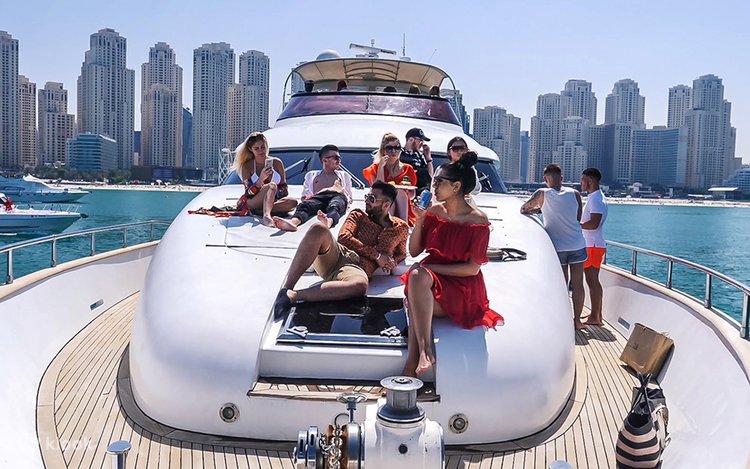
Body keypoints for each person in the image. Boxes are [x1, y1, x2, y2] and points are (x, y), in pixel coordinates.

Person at [401, 151, 503, 377]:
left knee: (416, 283)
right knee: (416, 280)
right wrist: (419, 220)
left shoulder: (478, 220)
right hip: (429, 282)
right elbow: (414, 251)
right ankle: (422, 354)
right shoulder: (435, 212)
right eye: (435, 181)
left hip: (463, 288)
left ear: (456, 186)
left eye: (439, 181)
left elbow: (472, 269)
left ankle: (416, 359)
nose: (434, 186)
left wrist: (430, 268)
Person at [272, 181, 409, 318]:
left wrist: (391, 262)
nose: (366, 201)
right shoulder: (358, 215)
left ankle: (293, 296)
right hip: (338, 255)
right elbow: (344, 237)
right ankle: (287, 287)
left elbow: (401, 253)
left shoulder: (401, 228)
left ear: (386, 205)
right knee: (318, 229)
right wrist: (377, 256)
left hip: (357, 269)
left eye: (371, 199)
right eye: (367, 196)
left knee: (360, 285)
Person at [520, 164, 587, 329]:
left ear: (545, 179)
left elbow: (524, 209)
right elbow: (578, 217)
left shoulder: (542, 193)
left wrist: (541, 210)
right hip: (577, 244)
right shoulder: (575, 193)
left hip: (558, 247)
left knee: (561, 285)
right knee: (578, 284)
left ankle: (562, 321)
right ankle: (577, 321)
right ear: (561, 178)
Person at [273, 144, 353, 231]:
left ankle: (328, 222)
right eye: (336, 158)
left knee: (335, 205)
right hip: (318, 198)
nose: (339, 160)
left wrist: (346, 201)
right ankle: (293, 223)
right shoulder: (311, 175)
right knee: (304, 205)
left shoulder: (344, 175)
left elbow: (349, 196)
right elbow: (304, 196)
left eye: (339, 158)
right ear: (325, 160)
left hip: (337, 195)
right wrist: (306, 199)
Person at [235, 132, 298, 227]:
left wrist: (273, 194)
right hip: (253, 201)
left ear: (267, 146)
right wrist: (260, 180)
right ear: (250, 149)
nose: (261, 151)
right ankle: (267, 216)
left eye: (263, 147)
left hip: (273, 200)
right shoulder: (247, 166)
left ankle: (260, 211)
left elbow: (284, 190)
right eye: (256, 148)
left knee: (293, 202)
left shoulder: (277, 163)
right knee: (271, 185)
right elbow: (248, 193)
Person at [362, 133, 418, 224]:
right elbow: (377, 189)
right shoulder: (374, 168)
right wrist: (381, 167)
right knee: (388, 196)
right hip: (381, 210)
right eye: (389, 148)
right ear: (383, 151)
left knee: (400, 193)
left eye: (397, 148)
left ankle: (403, 225)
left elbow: (412, 195)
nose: (393, 151)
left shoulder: (408, 169)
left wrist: (407, 191)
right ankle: (388, 225)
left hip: (403, 209)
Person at [580, 168, 608, 326]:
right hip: (593, 244)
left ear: (590, 180)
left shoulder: (596, 199)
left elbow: (593, 224)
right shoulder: (596, 198)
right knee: (592, 280)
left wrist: (575, 225)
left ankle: (596, 317)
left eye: (583, 180)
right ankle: (596, 314)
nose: (581, 183)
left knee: (592, 281)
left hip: (593, 245)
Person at [400, 128, 434, 193]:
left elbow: (429, 176)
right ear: (411, 139)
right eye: (420, 141)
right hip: (406, 185)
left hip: (419, 187)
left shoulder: (419, 155)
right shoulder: (400, 153)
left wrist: (428, 158)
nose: (421, 144)